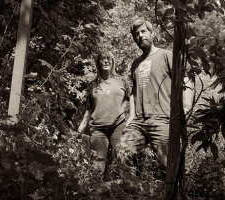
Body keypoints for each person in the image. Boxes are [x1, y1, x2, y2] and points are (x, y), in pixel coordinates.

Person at [115, 19, 193, 179]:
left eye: (143, 31)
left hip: (162, 119)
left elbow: (187, 79)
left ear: (152, 33)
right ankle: (133, 191)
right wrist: (131, 117)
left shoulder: (166, 55)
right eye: (136, 34)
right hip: (139, 122)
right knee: (121, 152)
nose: (140, 36)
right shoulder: (135, 63)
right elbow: (134, 92)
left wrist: (185, 107)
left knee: (169, 171)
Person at [78, 49, 133, 176]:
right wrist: (81, 128)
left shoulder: (122, 81)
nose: (106, 61)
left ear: (113, 62)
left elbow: (132, 99)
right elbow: (89, 108)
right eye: (103, 59)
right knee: (97, 165)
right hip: (98, 129)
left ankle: (126, 192)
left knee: (122, 160)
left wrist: (131, 118)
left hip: (118, 126)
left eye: (108, 59)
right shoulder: (93, 85)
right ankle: (97, 192)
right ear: (98, 63)